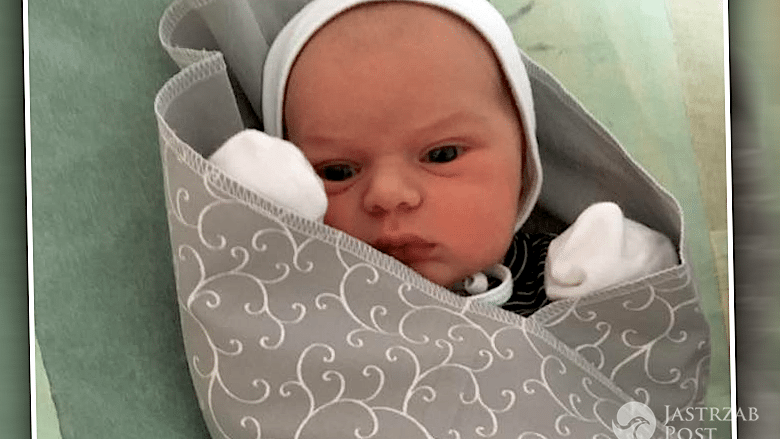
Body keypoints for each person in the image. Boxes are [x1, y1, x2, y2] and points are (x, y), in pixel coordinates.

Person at [210, 0, 678, 315]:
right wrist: (248, 213)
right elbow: (238, 301)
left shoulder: (553, 277)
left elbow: (644, 347)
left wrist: (623, 280)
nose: (387, 195)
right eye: (336, 171)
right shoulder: (309, 288)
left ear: (524, 168)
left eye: (442, 154)